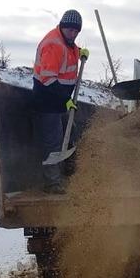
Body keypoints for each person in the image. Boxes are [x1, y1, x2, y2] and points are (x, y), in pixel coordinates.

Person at [32, 10, 90, 194]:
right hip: (47, 101)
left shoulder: (68, 43)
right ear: (62, 27)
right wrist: (66, 100)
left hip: (60, 100)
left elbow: (70, 52)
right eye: (69, 30)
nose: (72, 34)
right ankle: (53, 183)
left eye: (76, 31)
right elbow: (47, 80)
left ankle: (70, 172)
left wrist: (81, 52)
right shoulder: (53, 45)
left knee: (71, 133)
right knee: (54, 142)